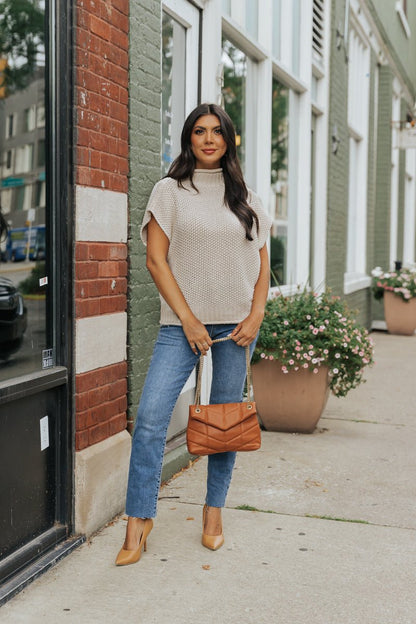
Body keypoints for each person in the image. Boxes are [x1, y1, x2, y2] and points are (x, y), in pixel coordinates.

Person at [116, 103, 272, 566]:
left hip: (238, 328)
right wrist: (187, 318)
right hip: (180, 326)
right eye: (199, 131)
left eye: (217, 131)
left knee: (226, 427)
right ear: (189, 139)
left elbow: (262, 265)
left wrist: (257, 314)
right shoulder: (169, 192)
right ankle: (138, 522)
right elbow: (156, 262)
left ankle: (213, 511)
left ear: (228, 139)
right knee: (149, 420)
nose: (208, 139)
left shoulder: (246, 197)